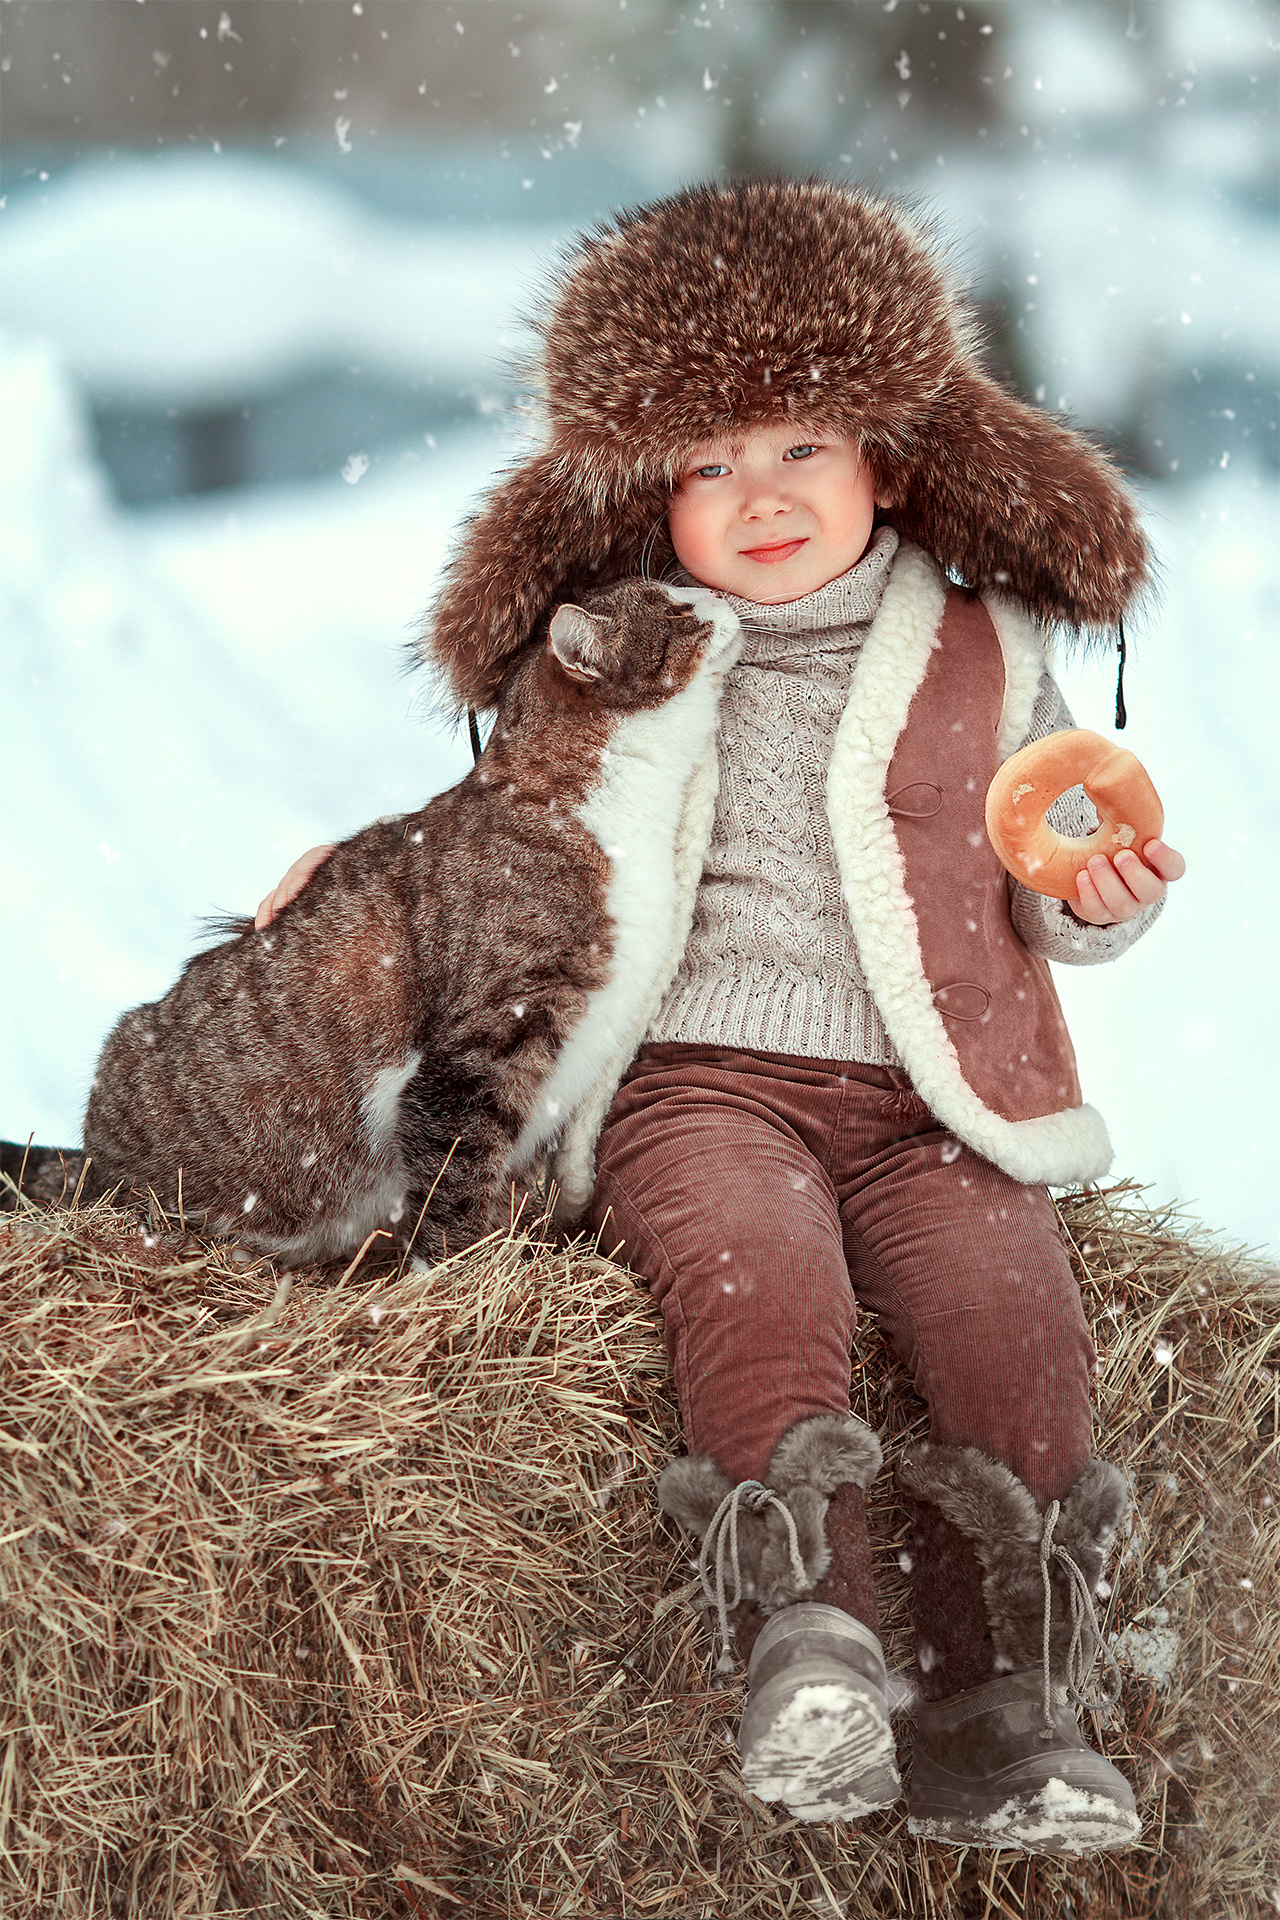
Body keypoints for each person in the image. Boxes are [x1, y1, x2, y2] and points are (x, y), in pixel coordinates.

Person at [259, 179, 1184, 1854]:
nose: (757, 498)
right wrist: (357, 875)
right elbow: (510, 826)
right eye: (707, 466)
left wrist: (1092, 896)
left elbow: (1042, 856)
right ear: (646, 498)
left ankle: (1010, 1699)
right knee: (757, 1278)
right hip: (701, 1079)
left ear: (886, 461)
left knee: (1013, 1318)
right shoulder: (627, 654)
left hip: (935, 1093)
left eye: (798, 449)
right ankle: (806, 1639)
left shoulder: (984, 649)